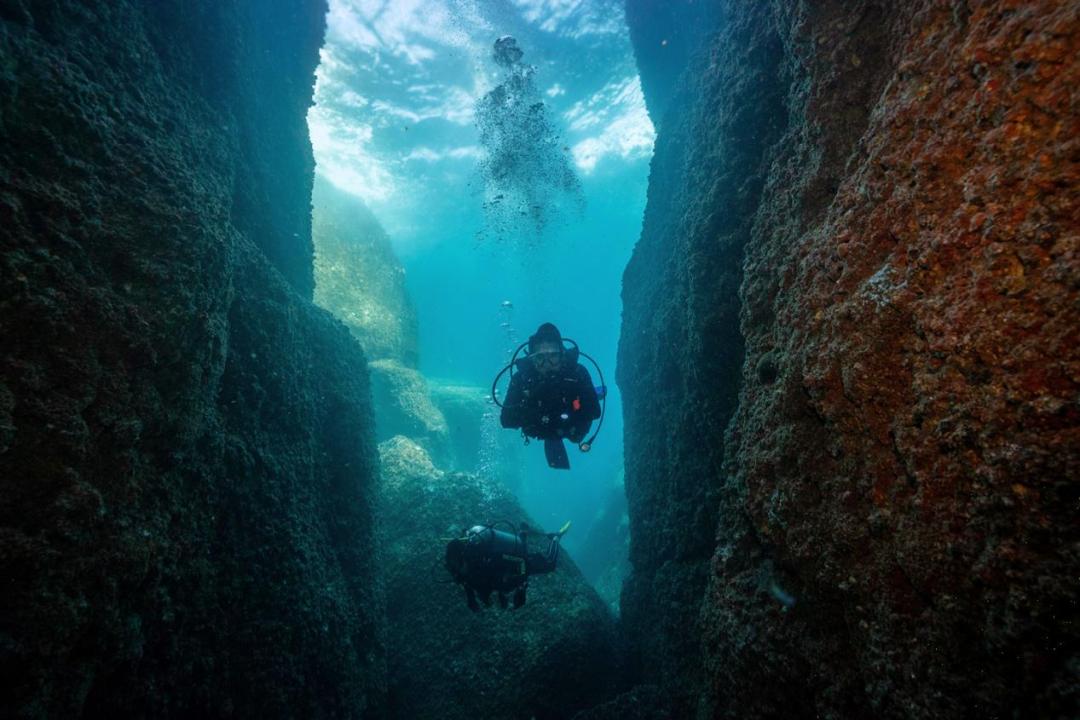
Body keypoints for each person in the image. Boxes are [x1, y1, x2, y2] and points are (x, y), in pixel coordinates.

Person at [499, 323, 601, 469]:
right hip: (541, 430)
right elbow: (506, 420)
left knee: (575, 437)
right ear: (532, 358)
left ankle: (597, 393)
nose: (547, 363)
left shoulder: (577, 373)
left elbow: (595, 412)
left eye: (553, 356)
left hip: (570, 429)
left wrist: (572, 411)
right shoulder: (521, 379)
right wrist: (533, 408)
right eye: (540, 357)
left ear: (562, 354)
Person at [444, 522, 569, 611]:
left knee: (549, 564)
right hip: (506, 564)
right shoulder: (460, 568)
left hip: (516, 560)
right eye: (454, 567)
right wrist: (472, 600)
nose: (458, 571)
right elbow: (469, 584)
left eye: (459, 566)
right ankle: (523, 532)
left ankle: (556, 537)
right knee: (521, 545)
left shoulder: (490, 560)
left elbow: (520, 561)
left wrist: (521, 586)